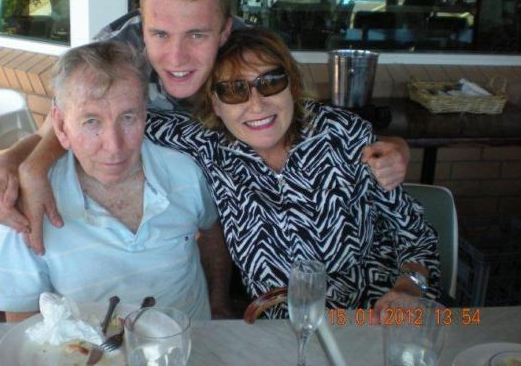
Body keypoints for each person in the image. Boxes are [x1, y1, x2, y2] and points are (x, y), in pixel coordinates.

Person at [0, 0, 410, 258]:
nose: (177, 57)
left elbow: (301, 119)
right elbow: (67, 119)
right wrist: (23, 162)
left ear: (225, 31)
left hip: (248, 220)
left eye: (197, 36)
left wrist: (390, 146)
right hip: (165, 219)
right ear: (142, 27)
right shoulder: (119, 47)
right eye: (160, 35)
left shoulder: (250, 56)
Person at [145, 27, 441, 319]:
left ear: (293, 86)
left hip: (365, 320)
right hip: (276, 330)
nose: (256, 104)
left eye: (271, 82)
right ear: (216, 104)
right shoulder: (208, 144)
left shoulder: (343, 135)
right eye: (234, 90)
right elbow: (127, 112)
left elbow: (417, 235)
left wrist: (409, 288)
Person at [0, 40, 220, 322]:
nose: (114, 146)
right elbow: (21, 316)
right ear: (61, 126)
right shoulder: (26, 202)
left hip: (191, 343)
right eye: (91, 122)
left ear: (145, 115)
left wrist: (219, 304)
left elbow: (212, 232)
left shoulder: (186, 173)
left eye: (128, 118)